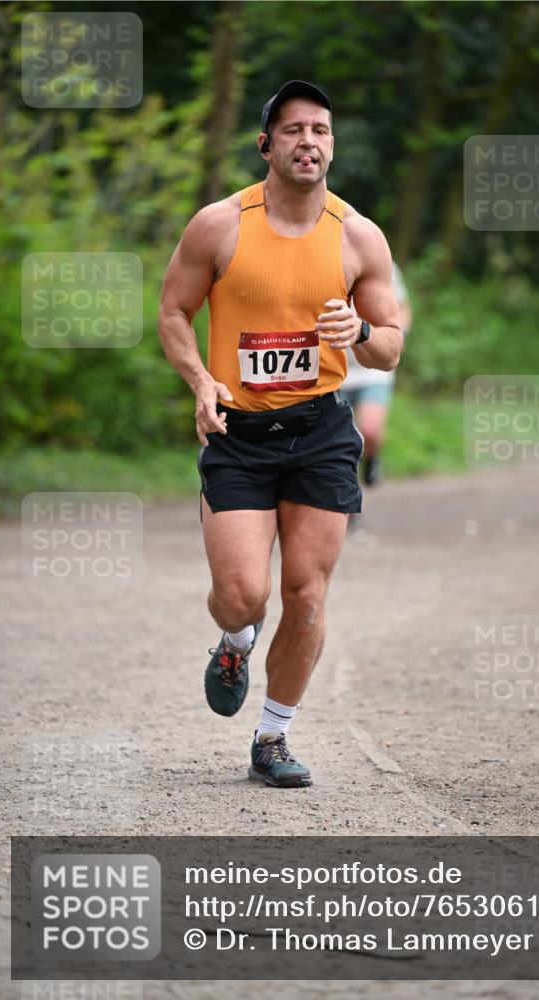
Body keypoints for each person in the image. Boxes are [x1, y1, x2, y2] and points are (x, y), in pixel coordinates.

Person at [158, 80, 403, 788]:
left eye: (320, 130)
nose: (308, 141)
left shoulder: (358, 236)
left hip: (320, 430)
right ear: (266, 146)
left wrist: (358, 329)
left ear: (332, 145)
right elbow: (173, 313)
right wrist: (201, 382)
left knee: (307, 594)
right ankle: (235, 639)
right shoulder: (219, 226)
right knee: (242, 594)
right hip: (238, 432)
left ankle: (272, 738)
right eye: (293, 130)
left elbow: (389, 346)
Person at [341, 262, 412, 487]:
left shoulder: (379, 259)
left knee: (369, 431)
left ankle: (372, 458)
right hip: (336, 368)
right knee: (340, 441)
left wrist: (398, 338)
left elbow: (403, 307)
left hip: (372, 370)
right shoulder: (317, 254)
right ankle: (344, 487)